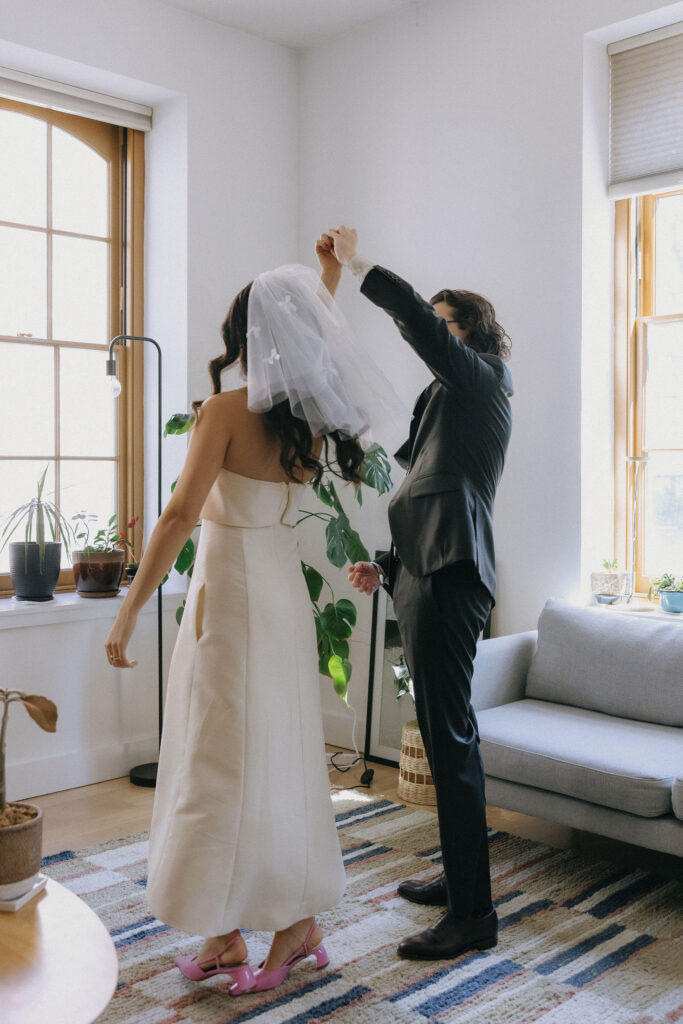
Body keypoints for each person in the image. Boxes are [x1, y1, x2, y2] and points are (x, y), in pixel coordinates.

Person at [104, 258, 402, 995]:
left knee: (218, 756)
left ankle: (272, 925)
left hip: (231, 590)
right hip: (275, 587)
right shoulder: (307, 419)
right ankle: (230, 931)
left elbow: (178, 516)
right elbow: (316, 344)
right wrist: (327, 279)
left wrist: (130, 607)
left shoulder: (224, 413)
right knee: (273, 750)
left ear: (242, 334)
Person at [330, 226, 513, 961]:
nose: (431, 335)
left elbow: (416, 323)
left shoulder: (483, 376)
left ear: (467, 333)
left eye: (443, 323)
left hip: (449, 576)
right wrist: (388, 562)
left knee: (451, 741)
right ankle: (457, 879)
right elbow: (426, 496)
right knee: (441, 741)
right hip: (423, 571)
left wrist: (358, 265)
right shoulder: (447, 403)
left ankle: (473, 916)